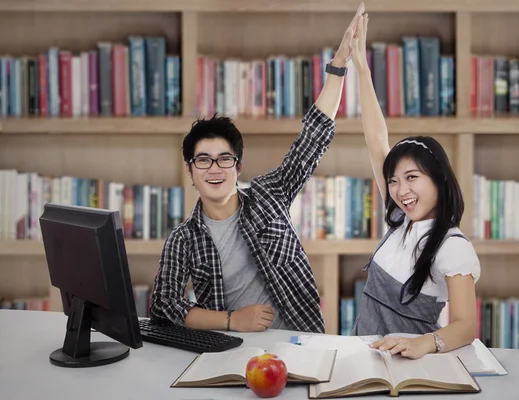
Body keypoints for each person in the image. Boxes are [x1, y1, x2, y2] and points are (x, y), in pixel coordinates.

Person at [150, 2, 366, 334]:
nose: (215, 169)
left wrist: (338, 65)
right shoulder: (184, 239)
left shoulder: (268, 195)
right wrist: (230, 320)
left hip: (301, 342)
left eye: (225, 159)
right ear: (191, 171)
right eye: (203, 160)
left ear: (237, 167)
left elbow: (313, 137)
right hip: (230, 350)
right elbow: (163, 306)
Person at [349, 12, 481, 359]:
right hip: (366, 357)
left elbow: (466, 326)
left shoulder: (451, 246)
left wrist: (423, 343)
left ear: (438, 179)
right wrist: (362, 69)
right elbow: (377, 140)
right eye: (393, 181)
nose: (400, 190)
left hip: (408, 367)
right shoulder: (400, 220)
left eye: (412, 178)